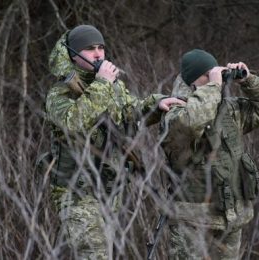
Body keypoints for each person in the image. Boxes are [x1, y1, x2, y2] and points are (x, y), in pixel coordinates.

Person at [45, 25, 185, 259]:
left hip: (109, 189)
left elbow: (129, 112)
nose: (99, 54)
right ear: (72, 54)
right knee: (94, 253)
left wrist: (156, 105)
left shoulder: (112, 86)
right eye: (90, 49)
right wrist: (102, 84)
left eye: (101, 48)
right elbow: (73, 123)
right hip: (76, 191)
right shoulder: (60, 93)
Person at [159, 49, 259, 259]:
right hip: (192, 218)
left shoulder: (229, 110)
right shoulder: (175, 112)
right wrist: (213, 86)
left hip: (230, 214)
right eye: (207, 74)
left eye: (215, 73)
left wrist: (248, 81)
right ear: (192, 80)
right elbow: (193, 122)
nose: (215, 78)